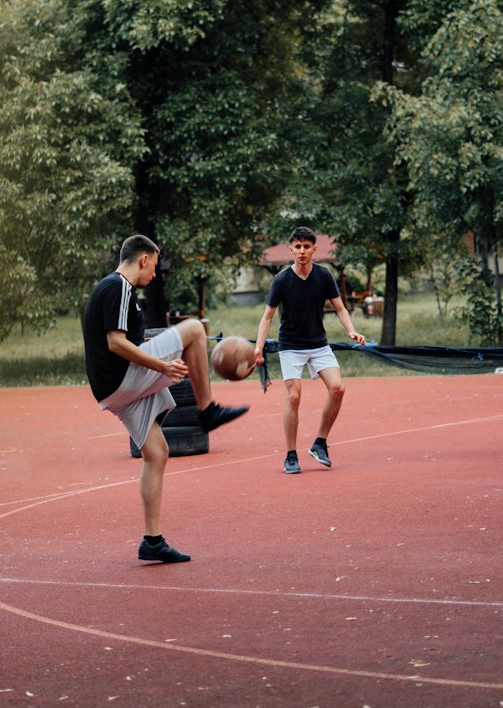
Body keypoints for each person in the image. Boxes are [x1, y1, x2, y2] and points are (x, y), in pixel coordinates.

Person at [84, 235, 248, 563]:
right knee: (194, 330)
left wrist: (145, 345)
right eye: (155, 266)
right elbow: (115, 343)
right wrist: (160, 364)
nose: (155, 275)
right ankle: (208, 411)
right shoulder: (119, 286)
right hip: (121, 377)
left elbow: (123, 338)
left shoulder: (113, 290)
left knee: (157, 454)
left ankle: (152, 541)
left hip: (112, 390)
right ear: (143, 259)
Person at [254, 225, 366, 474]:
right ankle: (291, 455)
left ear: (314, 249)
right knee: (294, 396)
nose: (302, 251)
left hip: (318, 344)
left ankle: (320, 443)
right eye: (298, 246)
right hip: (291, 346)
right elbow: (267, 317)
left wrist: (352, 330)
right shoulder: (281, 280)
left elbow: (340, 308)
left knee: (338, 388)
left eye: (307, 246)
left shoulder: (324, 276)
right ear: (290, 249)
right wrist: (259, 348)